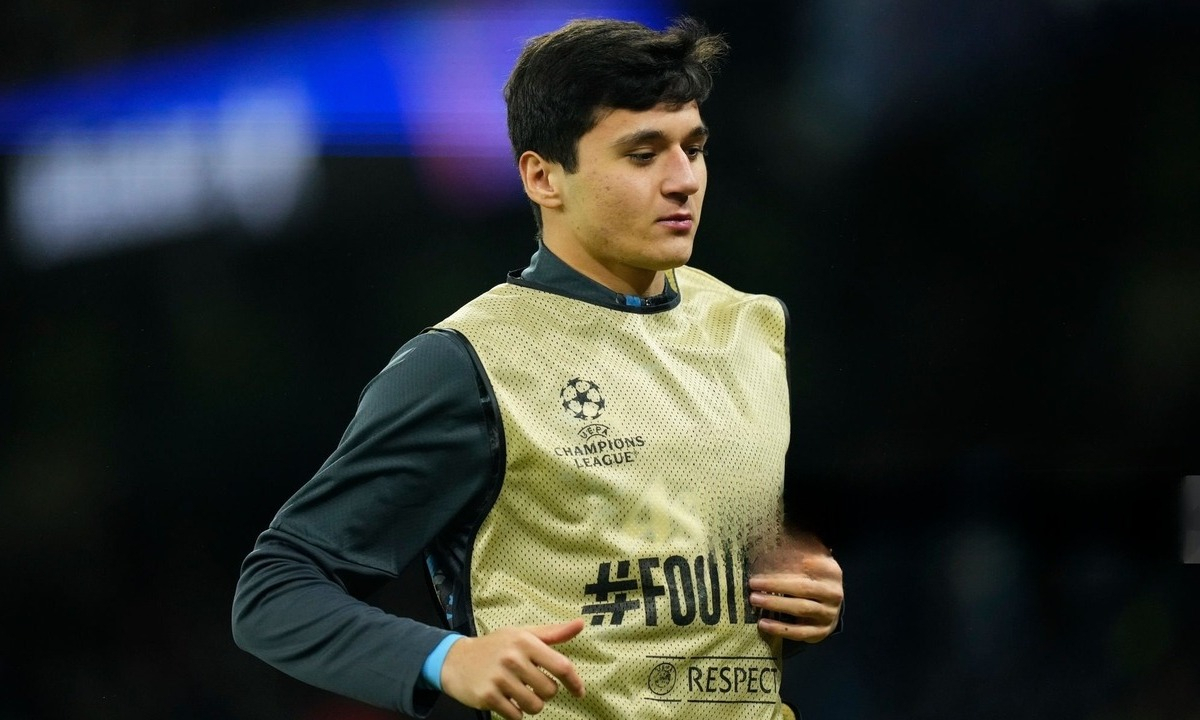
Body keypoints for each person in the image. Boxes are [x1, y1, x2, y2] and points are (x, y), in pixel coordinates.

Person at [232, 16, 843, 720]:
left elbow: (686, 605)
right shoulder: (467, 364)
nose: (683, 180)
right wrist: (445, 657)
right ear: (543, 177)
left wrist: (804, 602)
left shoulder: (752, 328)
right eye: (643, 155)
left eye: (694, 149)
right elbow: (275, 590)